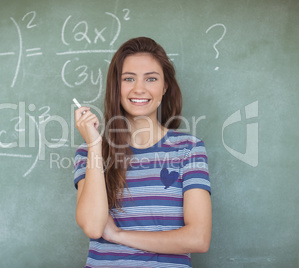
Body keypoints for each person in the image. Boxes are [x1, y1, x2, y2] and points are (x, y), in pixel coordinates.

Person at [73, 37, 211, 268]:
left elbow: (198, 239)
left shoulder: (189, 148)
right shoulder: (89, 152)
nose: (139, 88)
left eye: (151, 79)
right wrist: (95, 145)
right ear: (116, 87)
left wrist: (118, 235)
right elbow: (94, 226)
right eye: (128, 79)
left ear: (165, 86)